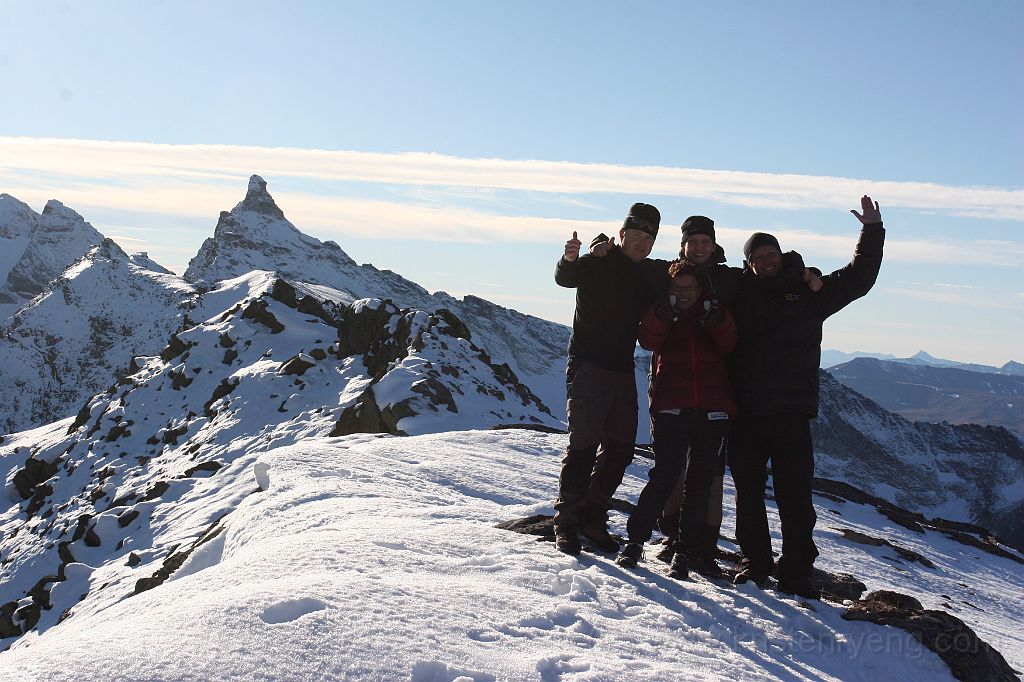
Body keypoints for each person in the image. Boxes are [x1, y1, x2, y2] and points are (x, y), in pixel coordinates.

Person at [728, 195, 884, 597]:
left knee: (795, 498)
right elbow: (689, 273)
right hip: (745, 411)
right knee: (748, 495)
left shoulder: (809, 293)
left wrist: (871, 231)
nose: (767, 260)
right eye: (758, 256)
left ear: (781, 254)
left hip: (791, 412)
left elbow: (858, 278)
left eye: (771, 252)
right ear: (749, 263)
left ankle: (796, 570)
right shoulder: (738, 293)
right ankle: (755, 563)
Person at [552, 202, 667, 555]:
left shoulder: (648, 274)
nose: (642, 242)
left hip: (621, 369)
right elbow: (565, 278)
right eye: (636, 235)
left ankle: (592, 515)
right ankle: (567, 522)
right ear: (622, 235)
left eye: (649, 237)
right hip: (588, 365)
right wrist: (570, 256)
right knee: (584, 445)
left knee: (619, 448)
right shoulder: (597, 262)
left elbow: (684, 273)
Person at [615, 260, 737, 579]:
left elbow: (729, 343)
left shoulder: (714, 313)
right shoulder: (663, 313)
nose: (684, 294)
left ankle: (683, 550)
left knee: (699, 482)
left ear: (701, 289)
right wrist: (662, 315)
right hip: (672, 406)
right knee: (665, 475)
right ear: (669, 290)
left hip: (712, 409)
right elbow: (648, 341)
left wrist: (717, 319)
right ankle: (635, 541)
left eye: (690, 288)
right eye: (677, 288)